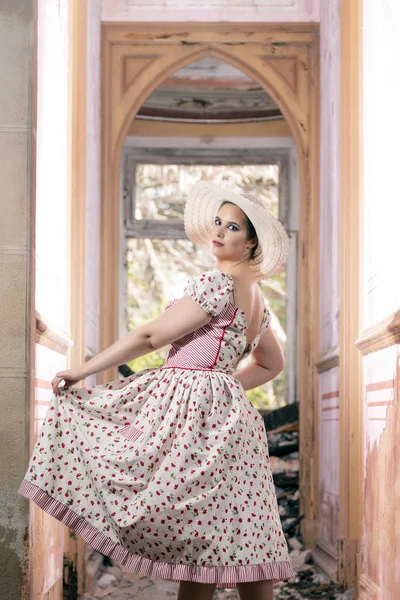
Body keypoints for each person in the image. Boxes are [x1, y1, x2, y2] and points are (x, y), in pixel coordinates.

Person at [19, 181, 295, 600]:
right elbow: (271, 364)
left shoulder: (215, 286)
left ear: (251, 242)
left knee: (195, 540)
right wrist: (224, 387)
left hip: (198, 417)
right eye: (218, 222)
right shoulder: (257, 300)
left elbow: (150, 337)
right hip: (235, 424)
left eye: (233, 227)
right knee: (236, 537)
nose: (219, 232)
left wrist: (84, 370)